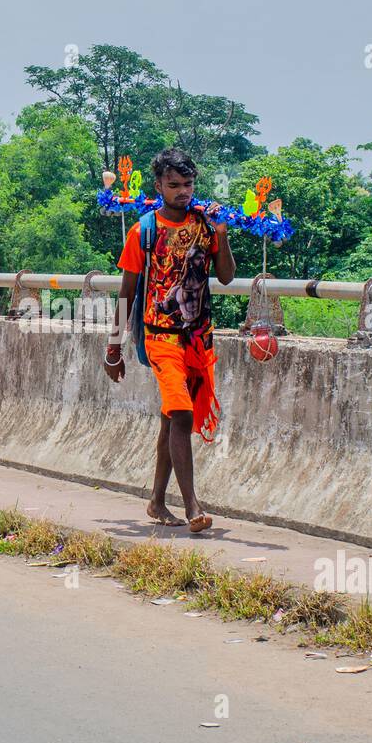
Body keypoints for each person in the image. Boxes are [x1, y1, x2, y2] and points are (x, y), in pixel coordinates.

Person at [104, 148, 236, 532]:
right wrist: (114, 348)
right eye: (174, 185)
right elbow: (126, 293)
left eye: (188, 184)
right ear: (158, 185)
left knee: (169, 419)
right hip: (159, 335)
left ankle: (157, 502)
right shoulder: (142, 230)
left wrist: (222, 236)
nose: (183, 192)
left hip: (197, 338)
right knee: (181, 412)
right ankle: (193, 505)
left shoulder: (206, 225)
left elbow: (226, 277)